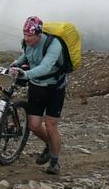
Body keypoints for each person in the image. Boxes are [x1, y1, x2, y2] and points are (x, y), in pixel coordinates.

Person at [8, 16, 66, 175]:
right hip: (36, 87)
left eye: (29, 36)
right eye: (24, 35)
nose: (26, 38)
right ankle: (50, 144)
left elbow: (46, 67)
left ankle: (54, 161)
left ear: (39, 34)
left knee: (50, 125)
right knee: (33, 125)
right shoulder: (27, 43)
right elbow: (26, 56)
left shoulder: (53, 44)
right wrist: (16, 64)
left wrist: (25, 74)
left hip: (55, 88)